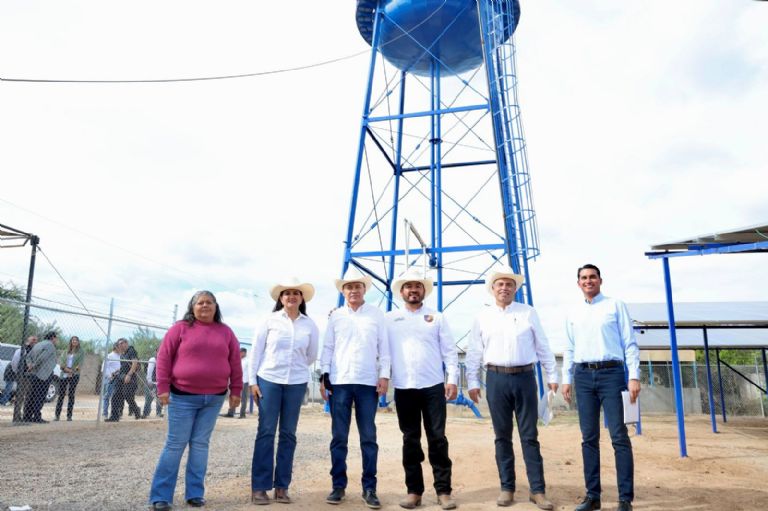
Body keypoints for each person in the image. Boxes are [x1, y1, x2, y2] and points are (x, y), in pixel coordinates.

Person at [466, 266, 558, 510]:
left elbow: (543, 345)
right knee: (502, 437)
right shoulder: (482, 317)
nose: (504, 288)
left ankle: (537, 490)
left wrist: (552, 374)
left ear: (515, 289)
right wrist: (473, 382)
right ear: (492, 289)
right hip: (496, 380)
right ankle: (507, 487)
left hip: (525, 378)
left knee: (529, 436)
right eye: (500, 284)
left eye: (509, 284)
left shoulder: (528, 313)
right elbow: (474, 351)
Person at [148, 290, 243, 511]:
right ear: (192, 307)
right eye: (200, 303)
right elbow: (164, 358)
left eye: (209, 302)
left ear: (216, 307)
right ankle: (160, 496)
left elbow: (235, 364)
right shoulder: (179, 328)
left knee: (200, 445)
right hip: (182, 396)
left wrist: (236, 390)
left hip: (214, 398)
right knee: (175, 444)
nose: (204, 306)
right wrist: (162, 387)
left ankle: (195, 494)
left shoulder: (226, 332)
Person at [561, 264, 640, 511]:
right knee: (589, 438)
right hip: (583, 376)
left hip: (612, 374)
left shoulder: (615, 305)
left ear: (600, 280)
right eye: (583, 278)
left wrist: (634, 376)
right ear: (578, 283)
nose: (588, 281)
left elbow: (629, 343)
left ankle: (625, 499)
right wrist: (567, 378)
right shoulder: (572, 312)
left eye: (592, 277)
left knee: (619, 436)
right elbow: (569, 347)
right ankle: (592, 496)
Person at [386, 270, 459, 511]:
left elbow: (449, 351)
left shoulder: (436, 317)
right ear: (401, 292)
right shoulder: (389, 319)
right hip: (404, 386)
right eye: (408, 287)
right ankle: (414, 491)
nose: (413, 290)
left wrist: (452, 379)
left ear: (424, 291)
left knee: (437, 439)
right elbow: (379, 346)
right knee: (410, 440)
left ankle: (444, 491)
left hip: (433, 386)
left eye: (418, 286)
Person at [320, 273, 390, 509]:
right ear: (343, 291)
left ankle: (369, 488)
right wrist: (324, 375)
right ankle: (338, 486)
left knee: (368, 438)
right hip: (340, 382)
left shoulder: (376, 315)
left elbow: (385, 348)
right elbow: (328, 347)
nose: (353, 291)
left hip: (368, 383)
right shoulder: (336, 317)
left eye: (358, 287)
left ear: (364, 289)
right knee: (339, 437)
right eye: (349, 287)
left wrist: (384, 375)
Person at [249, 278, 319, 505]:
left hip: (296, 383)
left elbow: (310, 356)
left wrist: (296, 370)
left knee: (288, 434)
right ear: (280, 298)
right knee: (266, 431)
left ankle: (282, 486)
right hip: (269, 379)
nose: (291, 296)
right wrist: (253, 381)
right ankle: (259, 487)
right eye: (286, 293)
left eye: (296, 293)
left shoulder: (310, 325)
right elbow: (256, 352)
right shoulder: (268, 321)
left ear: (302, 298)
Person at [23, 331, 60, 424]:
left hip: (34, 373)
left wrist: (30, 365)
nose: (57, 340)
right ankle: (36, 416)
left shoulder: (38, 344)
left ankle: (27, 416)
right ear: (53, 338)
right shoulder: (50, 345)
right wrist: (34, 365)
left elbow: (28, 356)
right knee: (40, 396)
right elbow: (43, 357)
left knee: (32, 395)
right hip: (44, 375)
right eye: (56, 338)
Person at [105, 338, 141, 422]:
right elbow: (122, 367)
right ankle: (114, 416)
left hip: (130, 377)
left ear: (126, 343)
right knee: (115, 396)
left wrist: (129, 375)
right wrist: (116, 372)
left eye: (121, 343)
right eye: (119, 344)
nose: (120, 345)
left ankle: (136, 410)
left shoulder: (131, 350)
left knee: (127, 396)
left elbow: (134, 362)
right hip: (120, 376)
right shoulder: (122, 355)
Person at [4, 335, 37, 415]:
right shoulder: (22, 350)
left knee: (26, 395)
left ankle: (25, 412)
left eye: (36, 340)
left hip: (29, 375)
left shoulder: (33, 350)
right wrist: (18, 372)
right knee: (20, 395)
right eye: (33, 339)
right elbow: (14, 362)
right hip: (22, 374)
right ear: (28, 340)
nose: (34, 341)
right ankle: (17, 412)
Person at [55, 335, 84, 421]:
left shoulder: (81, 352)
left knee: (71, 395)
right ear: (71, 342)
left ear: (78, 342)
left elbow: (80, 364)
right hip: (64, 374)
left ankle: (69, 416)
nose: (74, 342)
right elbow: (61, 363)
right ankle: (57, 415)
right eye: (73, 340)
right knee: (61, 395)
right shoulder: (65, 351)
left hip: (74, 375)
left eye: (76, 340)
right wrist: (66, 369)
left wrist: (72, 371)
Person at [221, 348, 249, 419]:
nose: (239, 354)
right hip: (236, 381)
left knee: (243, 399)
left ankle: (242, 414)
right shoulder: (238, 360)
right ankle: (231, 413)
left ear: (244, 353)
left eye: (240, 353)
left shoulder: (248, 361)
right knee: (234, 396)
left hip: (244, 381)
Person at [101, 342, 121, 419]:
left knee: (115, 397)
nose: (121, 348)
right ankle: (104, 413)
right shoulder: (109, 356)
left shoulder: (120, 356)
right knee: (107, 396)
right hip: (110, 378)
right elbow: (104, 368)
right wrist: (110, 376)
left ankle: (115, 413)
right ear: (116, 347)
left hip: (118, 379)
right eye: (120, 346)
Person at [143, 350, 164, 418]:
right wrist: (149, 380)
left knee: (160, 399)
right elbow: (150, 370)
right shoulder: (153, 359)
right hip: (152, 383)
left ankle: (158, 412)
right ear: (156, 351)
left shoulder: (163, 360)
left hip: (160, 383)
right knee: (149, 398)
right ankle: (146, 413)